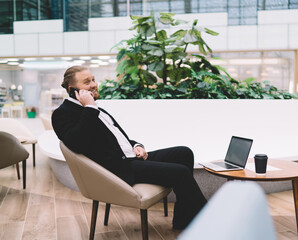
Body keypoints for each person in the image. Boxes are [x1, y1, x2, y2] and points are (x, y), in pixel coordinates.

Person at [52, 65, 207, 230]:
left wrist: (137, 146)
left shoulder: (97, 109)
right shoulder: (63, 114)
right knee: (180, 172)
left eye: (93, 79)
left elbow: (118, 139)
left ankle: (184, 220)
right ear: (72, 90)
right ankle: (207, 220)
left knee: (184, 153)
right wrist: (89, 107)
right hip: (118, 168)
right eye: (87, 82)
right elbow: (77, 142)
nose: (94, 84)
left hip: (131, 158)